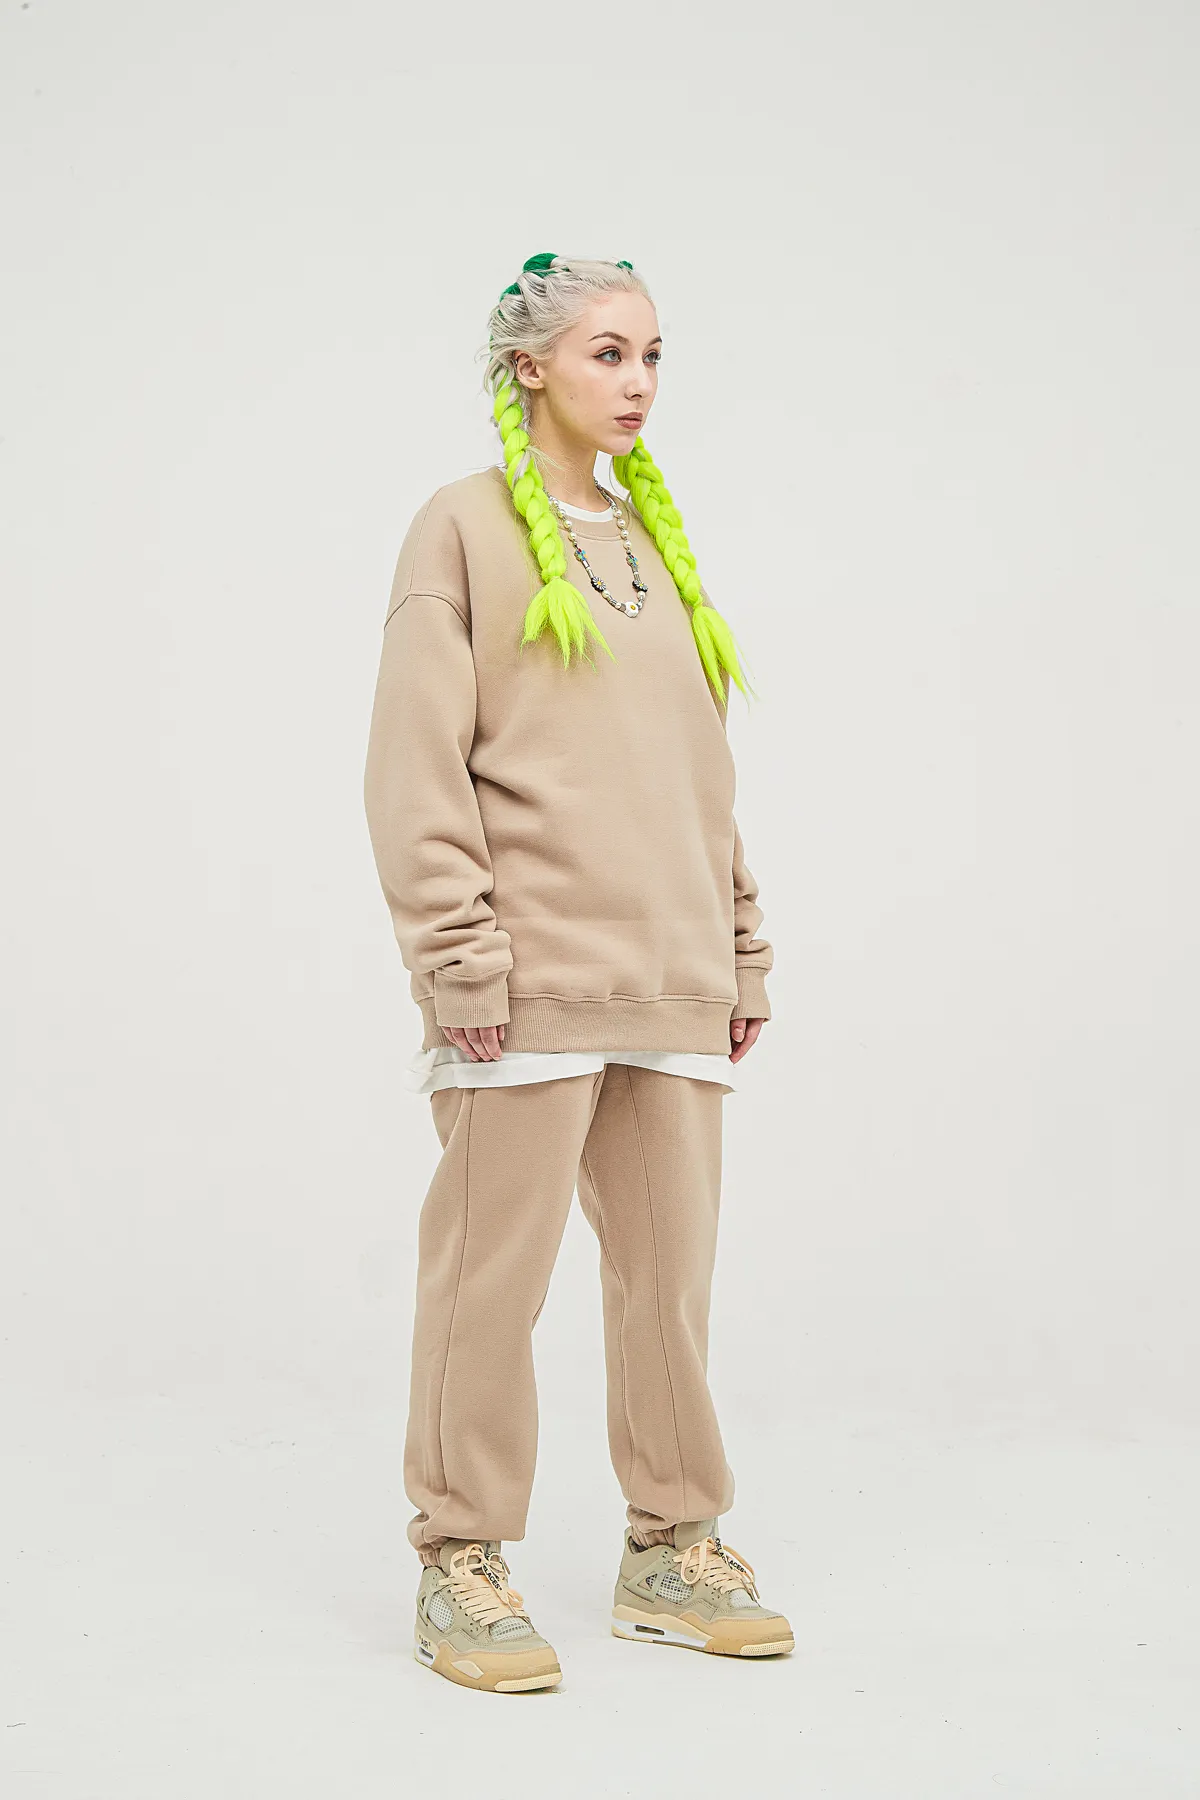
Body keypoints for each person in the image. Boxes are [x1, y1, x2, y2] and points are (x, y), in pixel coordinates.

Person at [363, 251, 793, 1693]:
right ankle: (461, 1557)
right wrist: (458, 960)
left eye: (654, 354)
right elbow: (415, 768)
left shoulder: (656, 540)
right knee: (491, 1284)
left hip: (670, 971)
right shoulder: (460, 529)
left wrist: (738, 942)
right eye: (610, 353)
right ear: (529, 366)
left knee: (669, 1286)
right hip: (524, 980)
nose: (640, 382)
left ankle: (672, 1544)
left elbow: (696, 771)